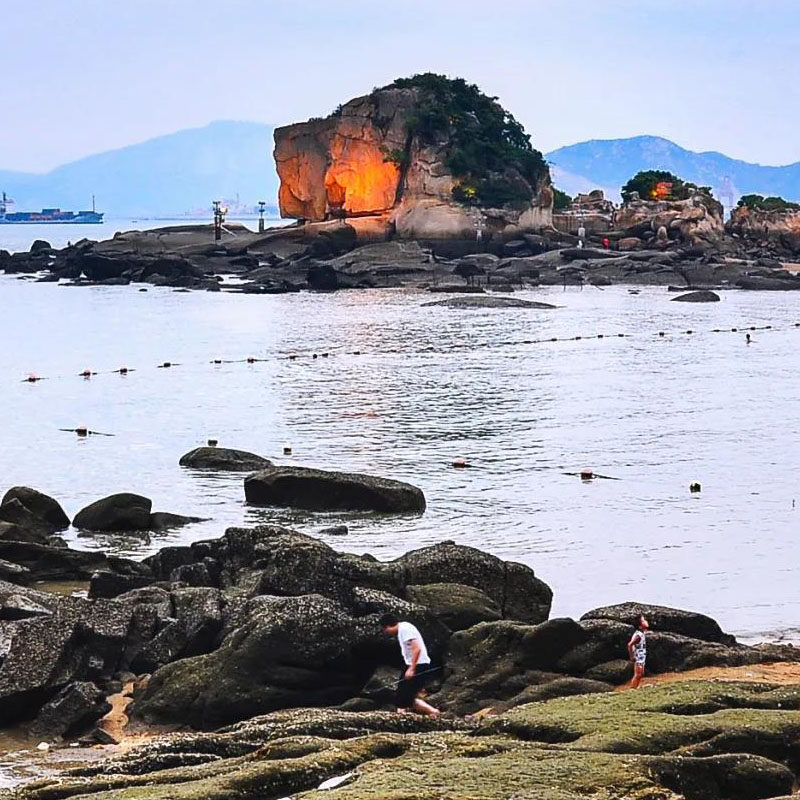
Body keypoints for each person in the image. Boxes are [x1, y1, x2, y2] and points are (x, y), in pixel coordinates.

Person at [380, 613, 440, 717]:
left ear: (388, 626)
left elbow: (417, 648)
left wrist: (412, 669)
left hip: (419, 665)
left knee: (404, 698)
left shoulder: (405, 630)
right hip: (412, 664)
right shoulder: (403, 628)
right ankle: (405, 715)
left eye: (385, 630)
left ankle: (433, 712)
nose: (386, 633)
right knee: (403, 696)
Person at [627, 614, 649, 688]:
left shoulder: (641, 633)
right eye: (643, 621)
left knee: (640, 673)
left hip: (642, 656)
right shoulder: (638, 636)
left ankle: (635, 687)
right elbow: (630, 644)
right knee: (638, 674)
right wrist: (632, 656)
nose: (646, 621)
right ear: (640, 626)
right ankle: (633, 688)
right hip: (638, 657)